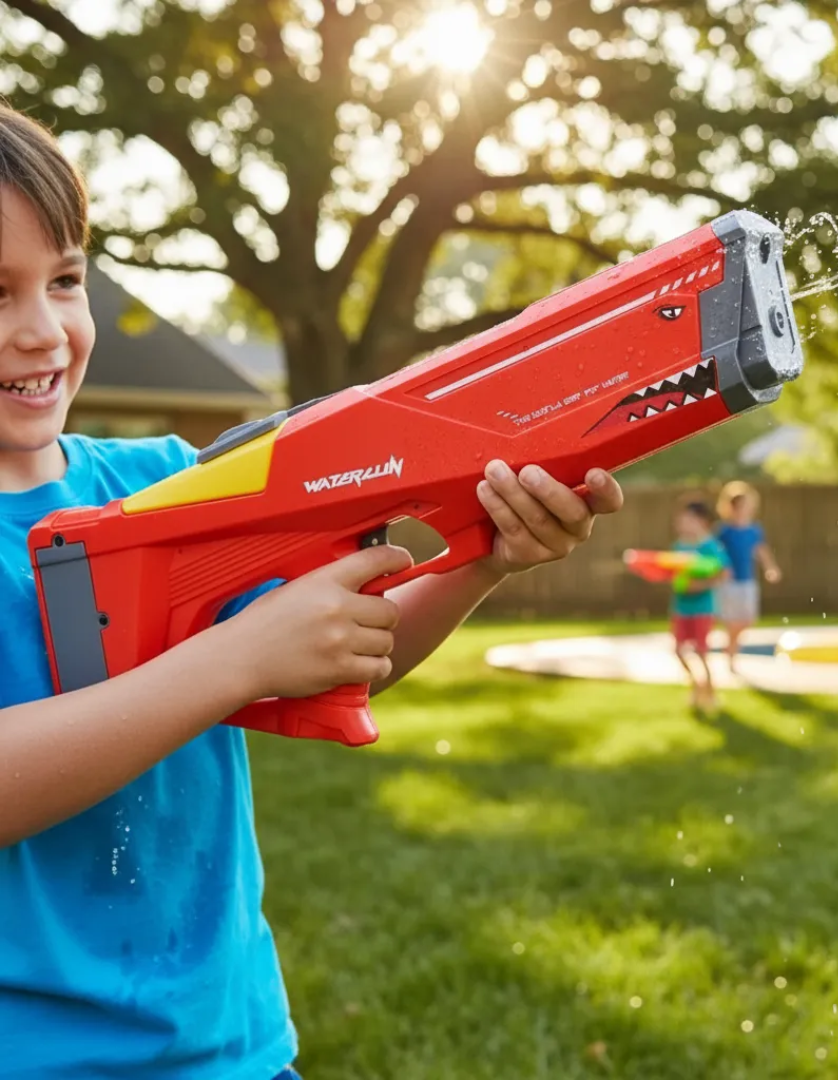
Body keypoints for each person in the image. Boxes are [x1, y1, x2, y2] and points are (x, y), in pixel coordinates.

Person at [0, 105, 624, 1079]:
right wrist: (236, 659)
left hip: (236, 1047)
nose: (43, 331)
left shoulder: (166, 484)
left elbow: (338, 655)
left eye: (67, 279)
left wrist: (482, 562)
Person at [669, 497, 728, 715]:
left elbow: (723, 573)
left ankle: (710, 693)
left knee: (702, 652)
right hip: (681, 608)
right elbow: (675, 574)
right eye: (681, 520)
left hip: (702, 608)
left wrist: (700, 584)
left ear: (702, 522)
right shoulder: (678, 546)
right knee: (678, 650)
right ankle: (696, 684)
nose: (682, 524)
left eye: (688, 520)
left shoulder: (710, 546)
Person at [714, 480, 781, 673]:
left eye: (745, 505)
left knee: (748, 619)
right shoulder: (724, 531)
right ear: (729, 507)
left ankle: (731, 645)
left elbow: (760, 550)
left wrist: (770, 567)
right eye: (737, 505)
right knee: (732, 619)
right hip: (728, 582)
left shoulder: (754, 530)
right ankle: (732, 654)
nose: (742, 509)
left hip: (747, 580)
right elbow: (716, 553)